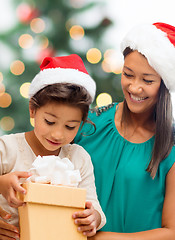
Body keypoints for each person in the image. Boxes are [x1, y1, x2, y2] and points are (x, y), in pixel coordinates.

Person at [74, 22, 175, 239]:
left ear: (165, 84)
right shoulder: (90, 123)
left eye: (147, 80)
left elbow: (172, 231)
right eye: (128, 74)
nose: (134, 87)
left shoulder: (171, 147)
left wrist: (101, 238)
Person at [0, 54, 106, 239]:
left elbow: (92, 204)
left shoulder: (78, 158)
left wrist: (94, 217)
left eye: (70, 126)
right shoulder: (7, 148)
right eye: (49, 122)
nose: (58, 134)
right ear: (32, 109)